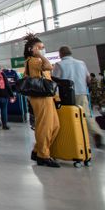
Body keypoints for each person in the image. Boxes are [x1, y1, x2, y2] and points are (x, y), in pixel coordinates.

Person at [53, 46, 104, 148]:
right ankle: (96, 133)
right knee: (85, 114)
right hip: (81, 93)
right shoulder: (81, 63)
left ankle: (72, 137)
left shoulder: (59, 64)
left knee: (67, 116)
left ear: (61, 54)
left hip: (66, 95)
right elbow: (88, 79)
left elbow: (54, 81)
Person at [23, 34, 60, 168]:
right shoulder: (34, 61)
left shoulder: (36, 60)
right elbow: (49, 67)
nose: (42, 49)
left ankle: (37, 150)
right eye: (39, 47)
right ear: (31, 50)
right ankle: (43, 155)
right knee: (45, 126)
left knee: (55, 125)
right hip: (40, 97)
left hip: (46, 96)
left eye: (43, 47)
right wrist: (40, 55)